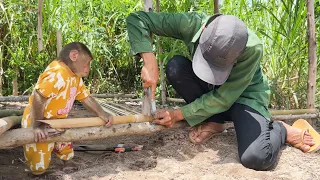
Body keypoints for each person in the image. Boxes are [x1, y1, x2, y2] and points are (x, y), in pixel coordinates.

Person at [126, 11, 317, 170]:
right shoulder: (190, 23)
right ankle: (214, 121)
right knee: (176, 67)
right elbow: (137, 19)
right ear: (202, 32)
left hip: (243, 97)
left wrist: (178, 114)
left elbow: (224, 98)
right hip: (213, 93)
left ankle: (281, 130)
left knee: (257, 157)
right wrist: (149, 59)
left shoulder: (252, 48)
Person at [21, 42, 113, 175]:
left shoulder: (75, 77)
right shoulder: (57, 72)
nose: (88, 68)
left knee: (65, 144)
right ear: (74, 56)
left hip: (58, 122)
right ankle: (37, 171)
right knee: (38, 168)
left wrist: (102, 113)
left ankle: (68, 162)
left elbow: (86, 97)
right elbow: (38, 96)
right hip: (39, 122)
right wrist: (37, 125)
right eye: (86, 63)